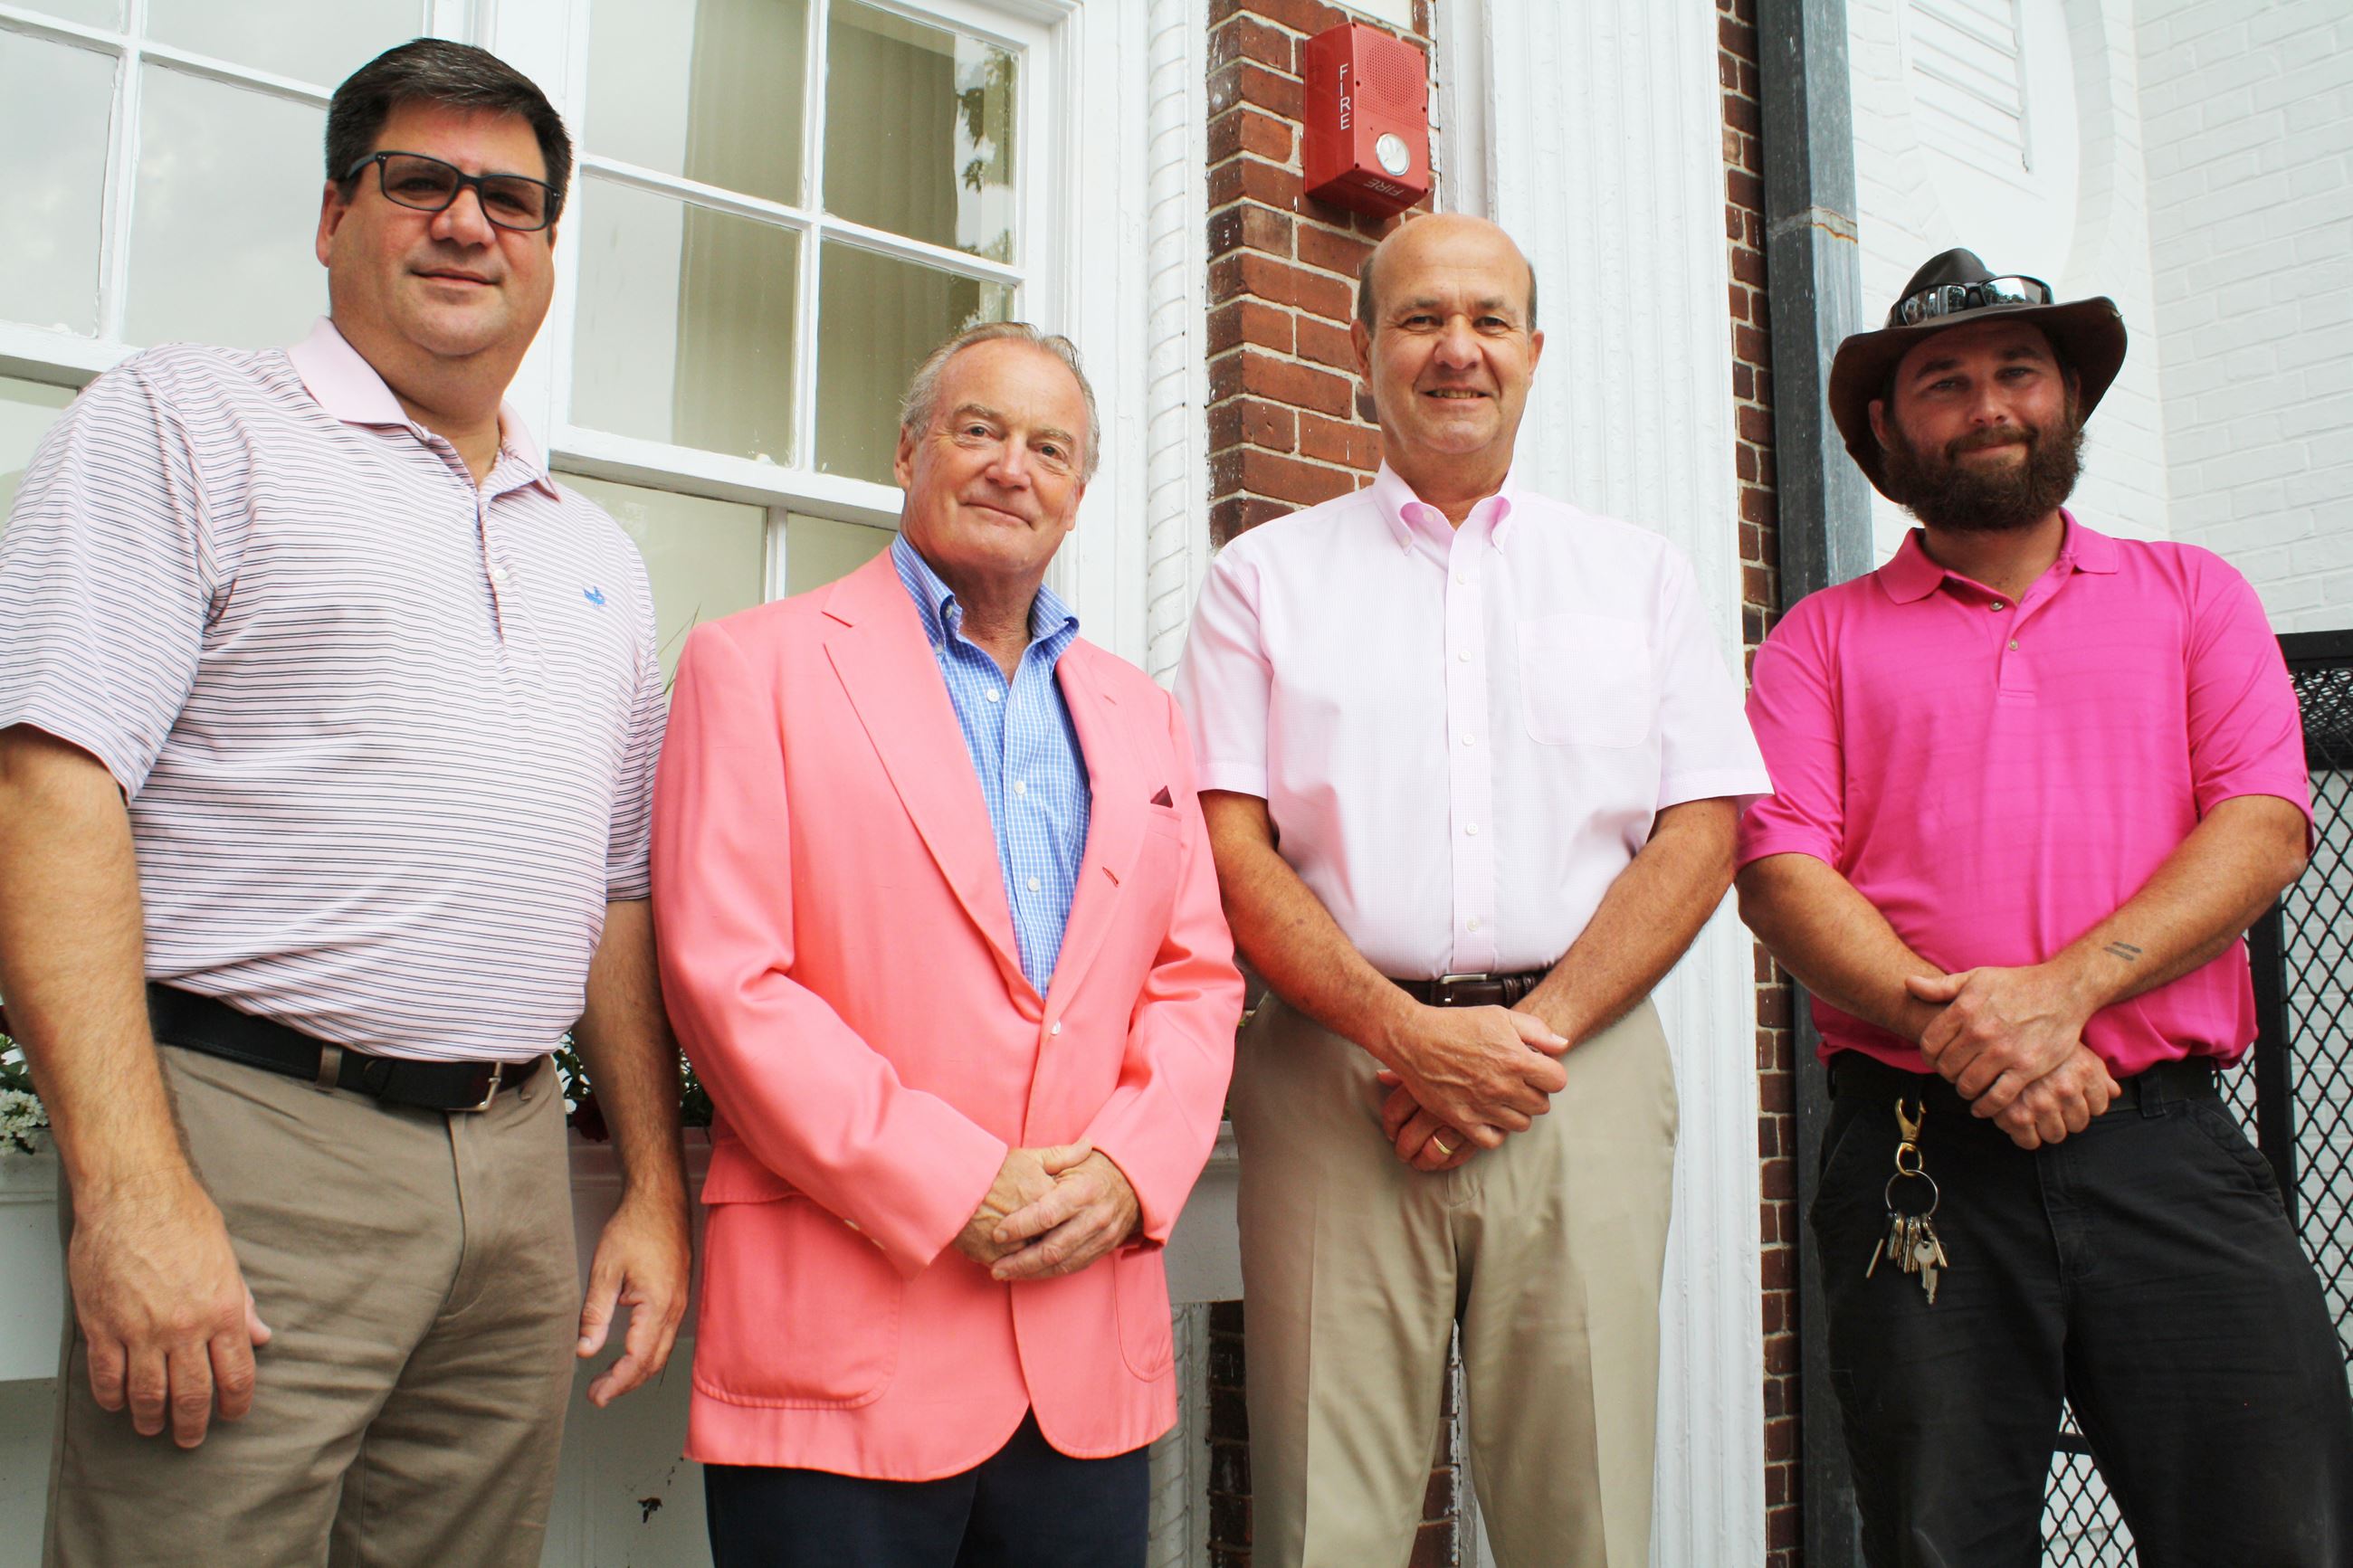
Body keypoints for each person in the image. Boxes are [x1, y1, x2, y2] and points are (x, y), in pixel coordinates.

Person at [0, 39, 691, 1568]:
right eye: (420, 181)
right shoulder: (184, 425)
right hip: (253, 1144)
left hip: (516, 1169)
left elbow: (617, 894)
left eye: (510, 198)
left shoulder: (600, 554)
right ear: (333, 216)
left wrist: (648, 1186)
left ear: (551, 250)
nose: (467, 222)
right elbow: (49, 788)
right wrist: (127, 1187)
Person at [1736, 246, 2353, 1565]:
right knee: (1937, 1543)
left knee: (2275, 1530)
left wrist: (2059, 996)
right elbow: (1781, 871)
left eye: (2018, 369)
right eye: (1945, 381)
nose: (1989, 403)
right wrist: (1976, 1033)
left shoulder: (2197, 595)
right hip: (1920, 1159)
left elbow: (2263, 823)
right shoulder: (1817, 642)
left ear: (2069, 395)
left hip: (2167, 1147)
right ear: (1889, 427)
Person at [1174, 214, 1771, 1568]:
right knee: (1324, 1522)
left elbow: (1703, 831)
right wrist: (1410, 1036)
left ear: (1535, 350)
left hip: (1584, 1073)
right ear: (1363, 350)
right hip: (1336, 1079)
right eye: (1421, 318)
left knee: (1589, 1517)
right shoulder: (1260, 581)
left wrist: (1519, 1042)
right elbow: (1229, 847)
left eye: (1490, 320)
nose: (1458, 350)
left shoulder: (1643, 576)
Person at [650, 320, 1242, 1568]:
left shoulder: (1144, 715)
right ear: (912, 448)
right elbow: (727, 979)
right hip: (847, 1349)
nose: (1009, 467)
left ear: (1078, 494)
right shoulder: (750, 667)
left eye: (1049, 446)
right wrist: (953, 1177)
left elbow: (1195, 977)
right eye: (978, 430)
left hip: (1082, 1354)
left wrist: (1132, 1170)